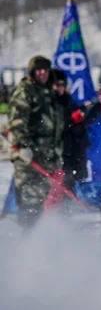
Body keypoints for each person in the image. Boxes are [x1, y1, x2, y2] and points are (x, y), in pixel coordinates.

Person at [8, 56, 63, 227]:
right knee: (30, 205)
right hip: (29, 160)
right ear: (32, 72)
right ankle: (27, 246)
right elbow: (16, 121)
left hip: (47, 159)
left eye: (45, 70)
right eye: (38, 70)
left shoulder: (47, 93)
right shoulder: (26, 91)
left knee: (44, 206)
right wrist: (23, 145)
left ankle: (42, 245)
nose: (42, 73)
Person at [50, 68, 101, 198]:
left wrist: (90, 111)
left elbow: (81, 120)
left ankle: (68, 213)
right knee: (58, 186)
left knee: (72, 183)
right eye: (57, 85)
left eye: (62, 85)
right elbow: (53, 125)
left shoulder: (69, 100)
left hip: (74, 149)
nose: (60, 88)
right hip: (58, 152)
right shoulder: (48, 102)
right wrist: (71, 121)